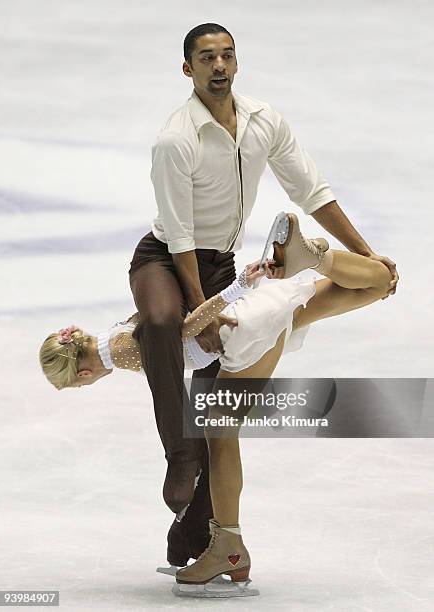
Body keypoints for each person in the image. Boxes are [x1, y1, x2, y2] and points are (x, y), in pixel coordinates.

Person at [128, 21, 399, 567]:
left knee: (216, 412)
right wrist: (200, 311)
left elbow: (311, 191)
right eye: (207, 59)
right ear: (189, 69)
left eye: (227, 55)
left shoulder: (262, 122)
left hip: (221, 266)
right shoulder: (175, 138)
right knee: (159, 323)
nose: (220, 66)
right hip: (165, 260)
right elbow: (179, 237)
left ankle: (198, 536)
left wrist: (366, 252)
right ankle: (176, 453)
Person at [40, 213, 393, 593]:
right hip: (248, 321)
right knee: (369, 286)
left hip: (242, 333)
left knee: (218, 430)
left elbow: (189, 326)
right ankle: (314, 258)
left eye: (77, 386)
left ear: (83, 375)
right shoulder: (114, 336)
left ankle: (228, 546)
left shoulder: (121, 352)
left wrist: (238, 286)